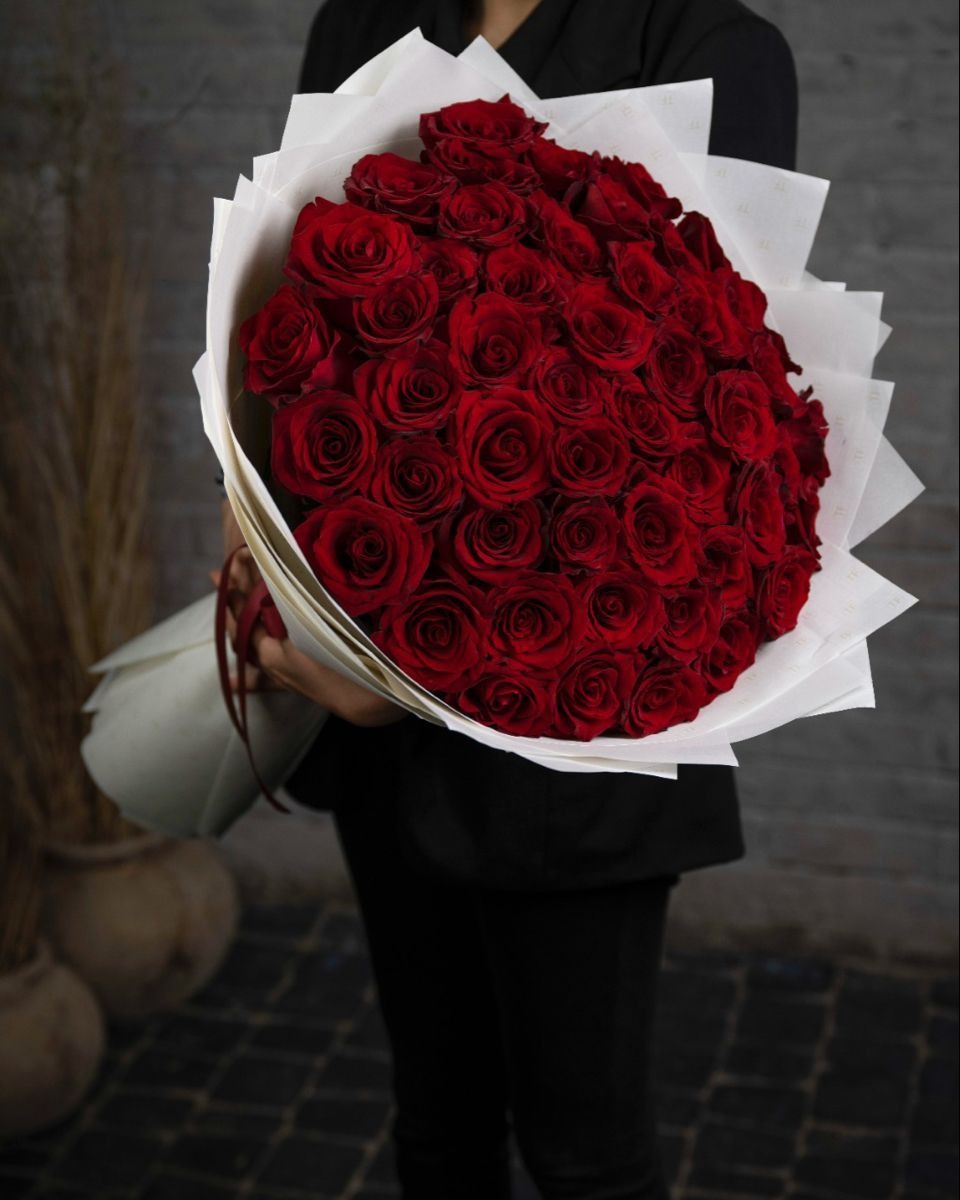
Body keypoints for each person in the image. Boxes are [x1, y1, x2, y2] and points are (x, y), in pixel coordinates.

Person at [217, 2, 798, 1195]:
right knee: (437, 1123)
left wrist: (399, 682)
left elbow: (691, 427)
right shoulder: (364, 21)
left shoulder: (704, 51)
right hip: (364, 666)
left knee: (585, 1154)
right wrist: (253, 512)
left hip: (581, 709)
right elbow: (288, 294)